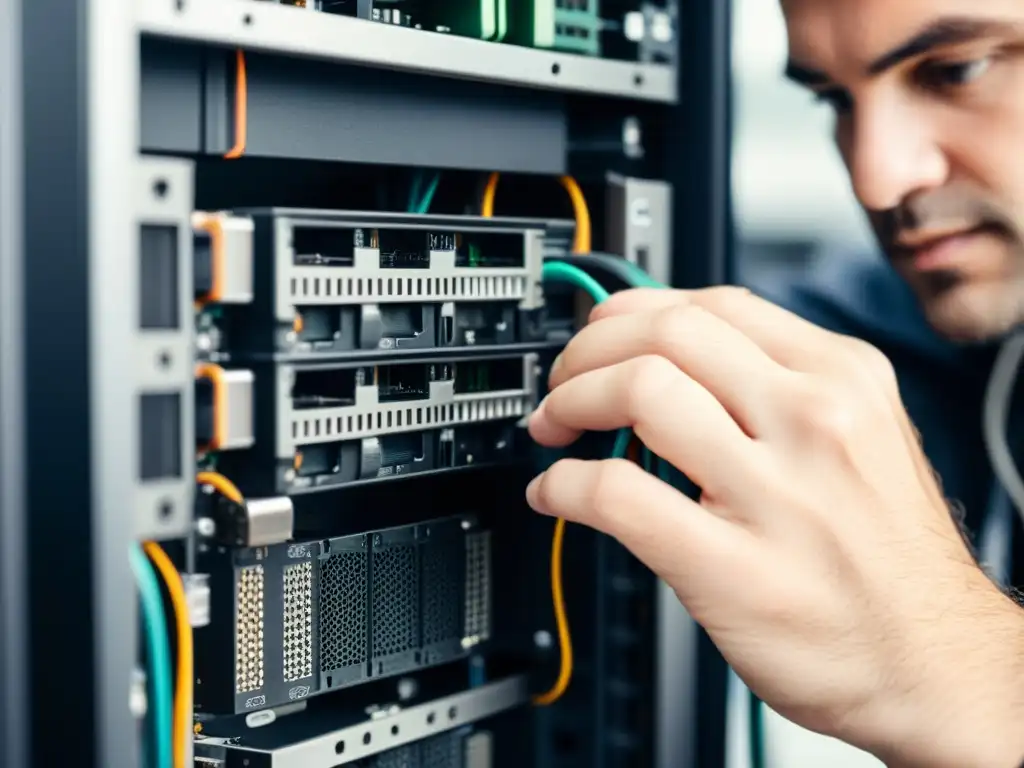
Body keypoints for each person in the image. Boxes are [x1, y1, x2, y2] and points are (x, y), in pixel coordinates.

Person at [525, 1, 1024, 766]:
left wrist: (960, 671)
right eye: (833, 98)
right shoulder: (915, 329)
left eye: (958, 70)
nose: (878, 177)